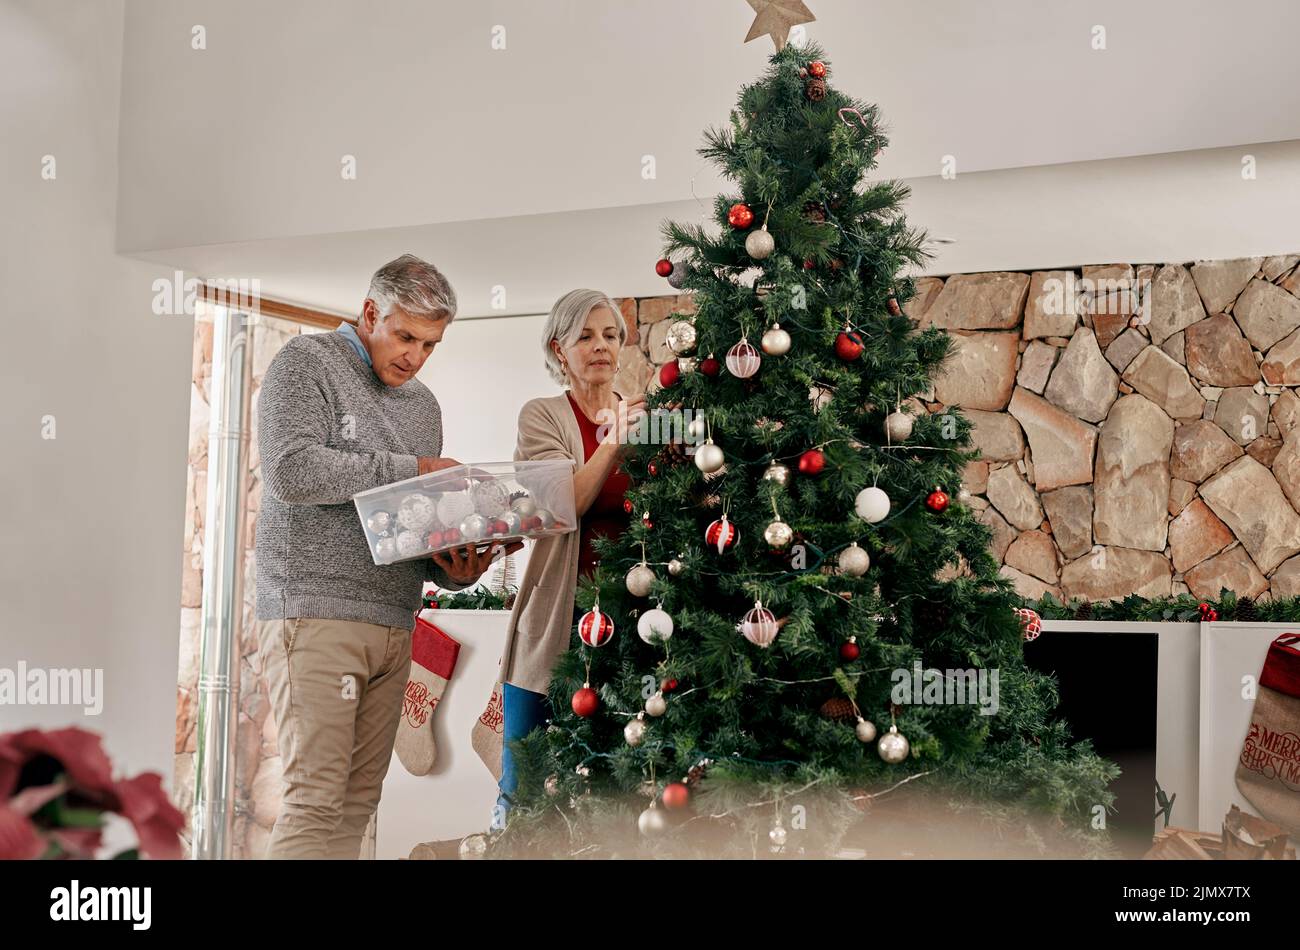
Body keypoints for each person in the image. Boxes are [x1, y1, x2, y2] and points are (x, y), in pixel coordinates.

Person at [254, 253, 516, 859]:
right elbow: (291, 470)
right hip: (315, 613)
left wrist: (451, 568)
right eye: (405, 336)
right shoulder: (305, 364)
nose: (416, 356)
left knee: (357, 808)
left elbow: (408, 520)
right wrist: (416, 469)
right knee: (314, 802)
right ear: (371, 312)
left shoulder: (424, 407)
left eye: (430, 344)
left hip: (396, 620)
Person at [490, 289, 646, 830]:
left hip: (630, 630)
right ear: (559, 350)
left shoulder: (646, 418)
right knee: (525, 785)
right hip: (555, 627)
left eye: (610, 335)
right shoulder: (542, 416)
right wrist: (616, 440)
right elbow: (563, 505)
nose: (600, 346)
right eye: (585, 336)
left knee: (611, 787)